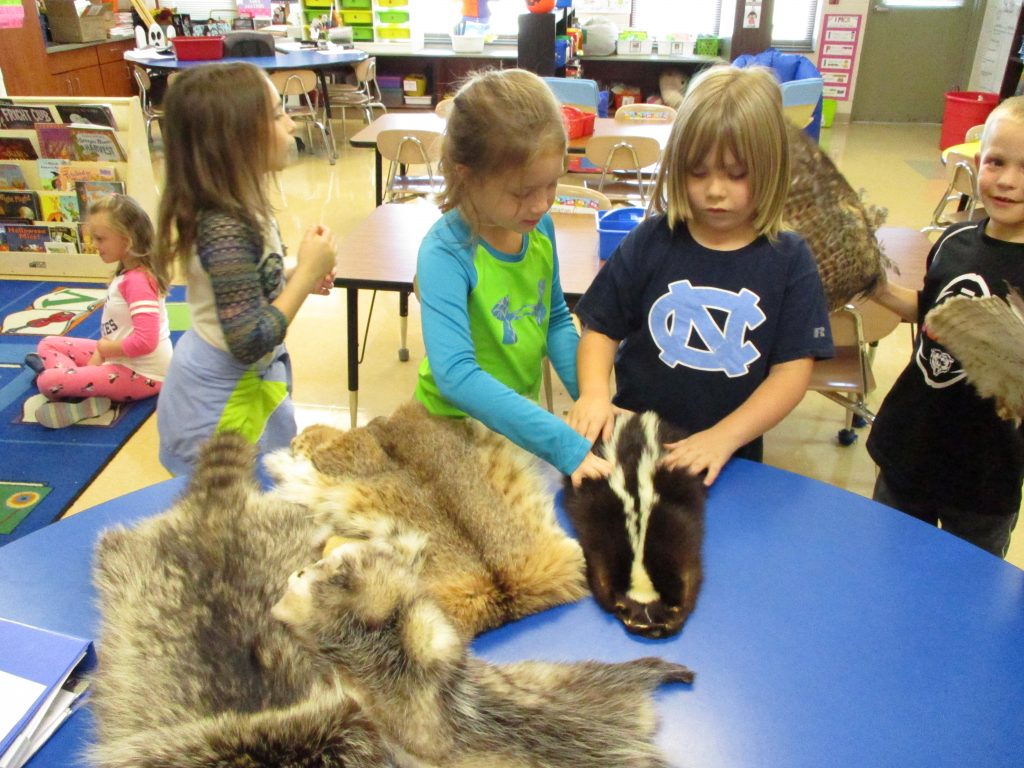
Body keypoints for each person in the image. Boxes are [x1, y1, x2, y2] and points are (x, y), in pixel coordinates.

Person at [568, 64, 833, 486]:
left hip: (729, 458)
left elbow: (792, 373)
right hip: (635, 447)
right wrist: (595, 393)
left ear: (771, 168)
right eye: (698, 172)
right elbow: (599, 328)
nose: (715, 190)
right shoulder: (650, 240)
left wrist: (723, 437)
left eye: (737, 174)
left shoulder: (790, 259)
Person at [414, 68, 609, 482]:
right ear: (467, 175)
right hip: (448, 431)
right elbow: (456, 377)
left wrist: (592, 401)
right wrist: (560, 442)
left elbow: (555, 320)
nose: (541, 204)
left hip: (511, 426)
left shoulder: (540, 229)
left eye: (551, 184)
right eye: (522, 192)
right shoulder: (445, 252)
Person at [153, 62, 337, 476]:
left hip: (243, 386)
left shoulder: (245, 208)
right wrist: (306, 277)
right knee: (230, 506)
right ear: (235, 139)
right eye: (277, 114)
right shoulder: (225, 227)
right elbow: (250, 340)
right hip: (217, 406)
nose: (291, 124)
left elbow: (249, 280)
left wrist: (294, 271)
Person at [867, 96, 1024, 557]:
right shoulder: (954, 240)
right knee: (885, 566)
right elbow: (929, 308)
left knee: (966, 584)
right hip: (910, 447)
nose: (1008, 181)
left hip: (985, 478)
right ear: (977, 164)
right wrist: (877, 288)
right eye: (996, 162)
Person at [27, 194, 172, 429]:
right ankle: (79, 387)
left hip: (143, 375)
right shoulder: (127, 273)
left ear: (127, 240)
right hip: (116, 356)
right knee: (48, 344)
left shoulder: (138, 281)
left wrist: (104, 350)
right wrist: (102, 354)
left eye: (100, 238)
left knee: (47, 382)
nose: (95, 245)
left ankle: (72, 389)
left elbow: (146, 341)